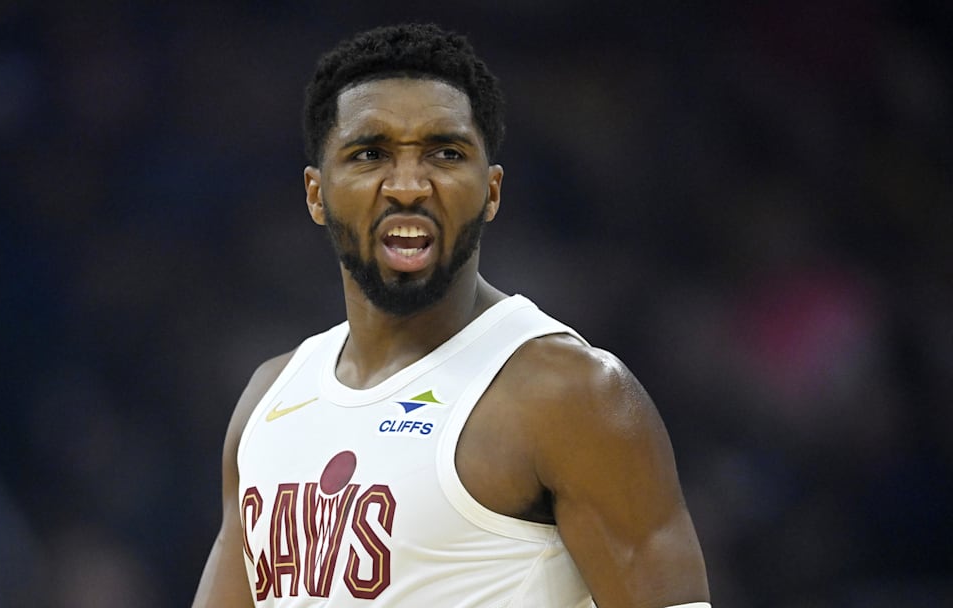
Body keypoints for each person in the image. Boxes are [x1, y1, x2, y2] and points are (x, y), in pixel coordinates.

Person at [193, 23, 710, 608]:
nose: (409, 185)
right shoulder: (268, 398)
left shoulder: (570, 394)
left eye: (445, 152)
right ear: (316, 194)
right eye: (370, 154)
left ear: (491, 191)